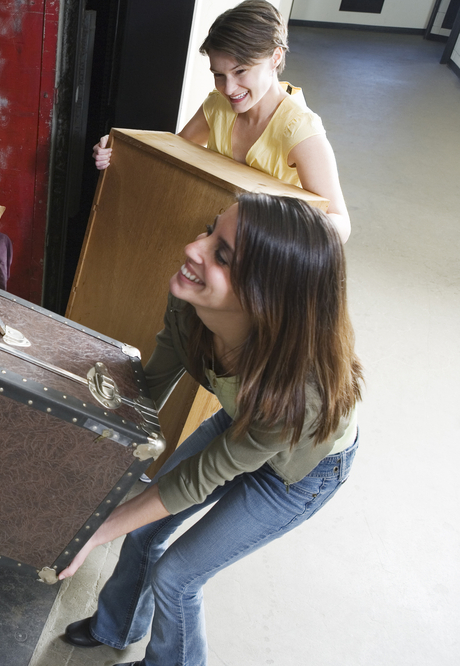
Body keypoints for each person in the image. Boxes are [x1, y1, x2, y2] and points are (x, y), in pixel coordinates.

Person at [57, 194, 362, 666]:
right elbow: (148, 392)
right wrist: (90, 457)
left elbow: (199, 478)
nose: (192, 248)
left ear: (266, 297)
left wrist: (95, 532)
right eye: (210, 230)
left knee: (176, 578)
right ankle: (115, 627)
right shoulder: (190, 304)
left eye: (222, 255)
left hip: (298, 473)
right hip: (244, 423)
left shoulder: (301, 393)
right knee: (143, 529)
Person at [93, 0, 351, 242]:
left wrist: (273, 232)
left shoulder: (300, 130)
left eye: (240, 71)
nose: (229, 88)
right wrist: (119, 148)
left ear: (275, 57)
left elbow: (340, 224)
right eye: (219, 75)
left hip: (263, 253)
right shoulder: (218, 105)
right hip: (214, 241)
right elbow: (169, 156)